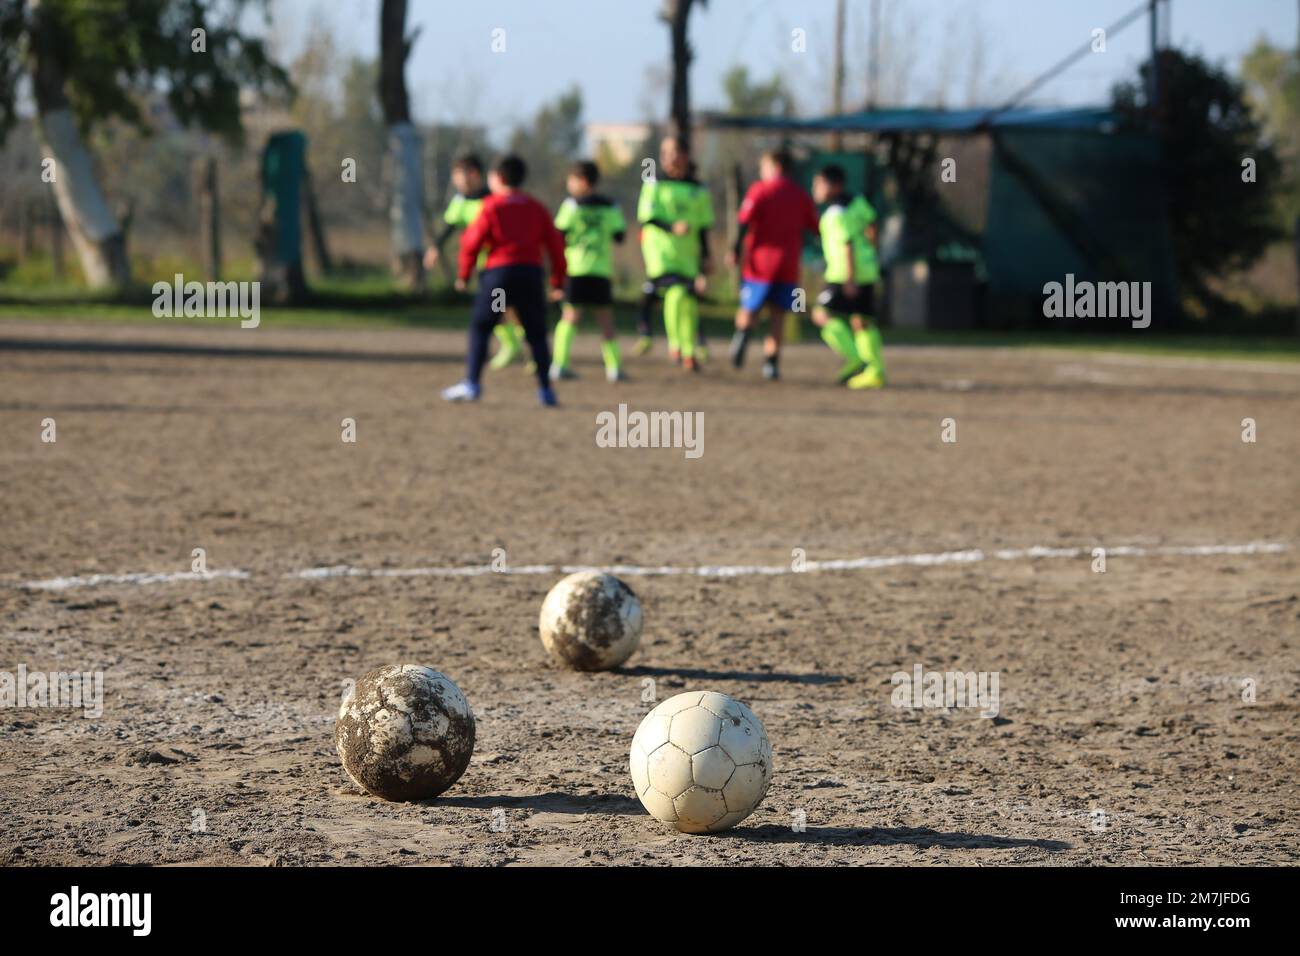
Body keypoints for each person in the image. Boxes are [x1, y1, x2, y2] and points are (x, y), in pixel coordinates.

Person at [441, 154, 567, 406]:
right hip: (530, 276)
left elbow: (471, 242)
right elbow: (555, 246)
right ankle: (545, 390)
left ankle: (472, 384)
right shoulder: (536, 207)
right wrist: (557, 282)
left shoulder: (491, 206)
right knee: (536, 333)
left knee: (482, 326)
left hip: (500, 277)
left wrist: (463, 275)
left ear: (497, 178)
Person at [425, 154, 526, 371]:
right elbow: (449, 227)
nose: (455, 181)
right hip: (485, 267)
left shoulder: (493, 199)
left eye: (458, 175)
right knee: (500, 308)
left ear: (473, 174)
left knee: (511, 308)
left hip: (505, 263)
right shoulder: (460, 201)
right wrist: (435, 248)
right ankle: (515, 345)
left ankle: (523, 347)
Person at [727, 148, 820, 381]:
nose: (761, 171)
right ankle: (771, 363)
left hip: (760, 264)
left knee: (749, 308)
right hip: (788, 265)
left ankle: (743, 334)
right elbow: (816, 228)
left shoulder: (760, 190)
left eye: (763, 167)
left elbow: (743, 221)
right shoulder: (800, 195)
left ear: (775, 167)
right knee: (779, 315)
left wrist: (735, 250)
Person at [636, 138, 714, 371]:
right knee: (677, 293)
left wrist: (707, 255)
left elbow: (702, 227)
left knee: (689, 302)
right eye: (665, 152)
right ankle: (678, 346)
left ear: (686, 156)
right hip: (660, 254)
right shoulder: (653, 182)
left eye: (676, 152)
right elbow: (647, 216)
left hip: (687, 255)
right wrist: (672, 228)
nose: (671, 157)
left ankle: (687, 351)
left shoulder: (698, 189)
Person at [550, 161, 628, 383]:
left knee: (570, 317)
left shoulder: (571, 206)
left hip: (576, 269)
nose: (569, 185)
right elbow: (620, 236)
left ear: (582, 181)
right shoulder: (610, 206)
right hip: (601, 270)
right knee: (606, 320)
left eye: (571, 180)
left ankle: (559, 364)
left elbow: (558, 236)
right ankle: (614, 369)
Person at [810, 164, 886, 389]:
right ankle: (876, 371)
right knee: (861, 320)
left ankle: (857, 360)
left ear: (833, 186)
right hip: (867, 268)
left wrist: (850, 278)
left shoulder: (836, 213)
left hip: (844, 273)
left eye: (818, 184)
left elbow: (847, 245)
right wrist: (871, 250)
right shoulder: (857, 202)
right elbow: (872, 224)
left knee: (821, 315)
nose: (815, 188)